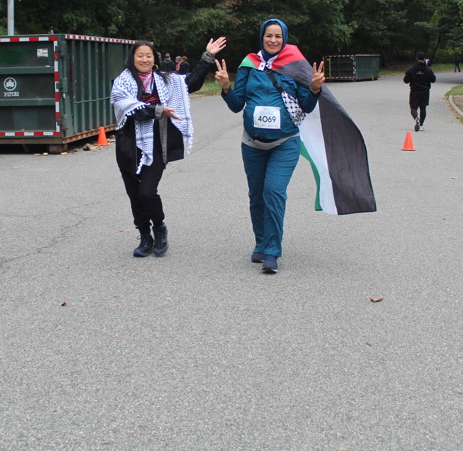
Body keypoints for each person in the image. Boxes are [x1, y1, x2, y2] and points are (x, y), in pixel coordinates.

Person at [214, 19, 325, 274]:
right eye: (268, 35)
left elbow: (307, 106)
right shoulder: (249, 64)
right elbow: (236, 105)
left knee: (273, 191)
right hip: (252, 143)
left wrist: (314, 88)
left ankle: (272, 251)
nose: (273, 40)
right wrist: (226, 87)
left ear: (284, 38)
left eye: (277, 36)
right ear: (261, 37)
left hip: (285, 143)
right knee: (256, 196)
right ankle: (261, 244)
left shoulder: (294, 64)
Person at [111, 37, 227, 258]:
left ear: (154, 59)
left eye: (148, 55)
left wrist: (207, 57)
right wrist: (157, 110)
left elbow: (191, 83)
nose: (144, 59)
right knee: (134, 194)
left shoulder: (166, 80)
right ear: (132, 58)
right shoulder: (121, 82)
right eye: (140, 55)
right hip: (128, 145)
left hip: (157, 143)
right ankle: (145, 237)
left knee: (147, 191)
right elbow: (130, 109)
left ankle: (159, 228)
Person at [404, 51, 436, 132]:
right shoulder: (428, 69)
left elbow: (406, 80)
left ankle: (416, 118)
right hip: (425, 91)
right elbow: (433, 80)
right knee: (423, 107)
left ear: (417, 58)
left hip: (414, 91)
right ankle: (421, 125)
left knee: (413, 108)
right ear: (424, 59)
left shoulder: (411, 69)